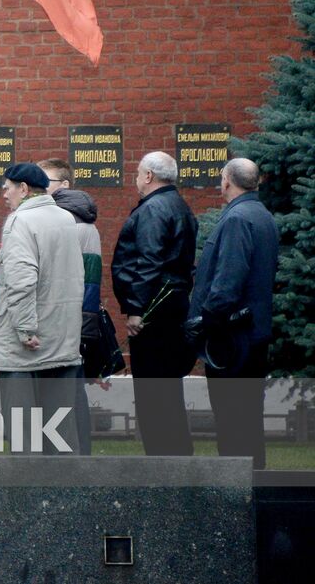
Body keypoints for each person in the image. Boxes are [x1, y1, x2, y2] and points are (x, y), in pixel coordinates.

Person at [0, 163, 84, 454]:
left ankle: (24, 499)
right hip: (63, 338)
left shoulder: (20, 222)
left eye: (7, 187)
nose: (3, 194)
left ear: (24, 189)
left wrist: (26, 329)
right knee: (61, 436)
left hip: (25, 346)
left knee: (23, 437)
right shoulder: (66, 218)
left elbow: (21, 282)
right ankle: (67, 497)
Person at [186, 158, 278, 468]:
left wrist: (207, 320)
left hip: (233, 339)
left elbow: (228, 279)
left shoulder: (238, 218)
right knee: (249, 423)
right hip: (252, 335)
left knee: (233, 424)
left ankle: (238, 500)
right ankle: (254, 494)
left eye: (222, 178)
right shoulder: (261, 215)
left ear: (227, 182)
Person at [112, 150, 198, 456]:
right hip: (171, 306)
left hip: (154, 311)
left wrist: (136, 308)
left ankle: (163, 463)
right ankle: (174, 458)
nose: (136, 179)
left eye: (137, 173)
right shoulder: (179, 206)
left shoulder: (153, 209)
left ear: (148, 176)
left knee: (153, 393)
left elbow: (149, 261)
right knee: (166, 391)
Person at [39, 157, 104, 454]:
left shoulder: (75, 225)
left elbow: (87, 284)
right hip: (65, 322)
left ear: (64, 185)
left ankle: (75, 460)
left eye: (45, 183)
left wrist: (81, 330)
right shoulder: (66, 221)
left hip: (68, 325)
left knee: (68, 396)